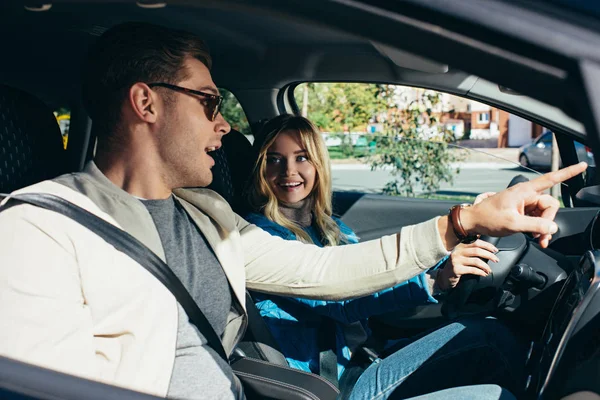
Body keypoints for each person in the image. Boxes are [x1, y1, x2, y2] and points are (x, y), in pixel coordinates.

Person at [0, 22, 585, 400]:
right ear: (146, 102)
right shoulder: (38, 229)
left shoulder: (205, 214)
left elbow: (327, 273)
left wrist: (463, 222)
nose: (224, 125)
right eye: (208, 103)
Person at [243, 114, 517, 396]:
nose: (289, 170)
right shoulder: (263, 239)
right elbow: (343, 299)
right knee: (489, 343)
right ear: (260, 168)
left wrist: (450, 253)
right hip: (334, 385)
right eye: (274, 159)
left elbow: (377, 268)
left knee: (488, 334)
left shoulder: (326, 225)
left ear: (318, 165)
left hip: (360, 357)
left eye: (301, 158)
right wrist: (437, 281)